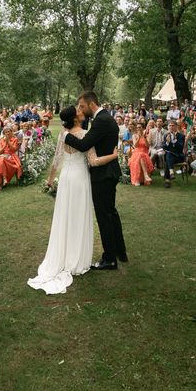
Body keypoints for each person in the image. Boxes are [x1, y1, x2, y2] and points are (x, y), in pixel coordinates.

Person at [27, 106, 119, 294]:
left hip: (66, 178)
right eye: (78, 110)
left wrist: (50, 180)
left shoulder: (63, 133)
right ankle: (76, 259)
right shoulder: (85, 134)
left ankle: (64, 255)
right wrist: (114, 155)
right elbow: (93, 161)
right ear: (75, 119)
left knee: (65, 216)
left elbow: (56, 159)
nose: (80, 111)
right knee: (78, 218)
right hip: (80, 179)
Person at [63, 91, 126, 270]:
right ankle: (120, 252)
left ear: (91, 105)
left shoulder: (100, 121)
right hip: (109, 173)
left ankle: (110, 259)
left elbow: (83, 145)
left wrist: (66, 136)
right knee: (111, 213)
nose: (80, 110)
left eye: (82, 106)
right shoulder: (107, 117)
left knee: (104, 216)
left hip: (103, 175)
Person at [0, 125, 22, 191]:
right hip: (3, 156)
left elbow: (14, 150)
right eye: (6, 132)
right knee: (2, 159)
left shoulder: (15, 139)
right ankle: (4, 178)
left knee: (2, 160)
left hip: (12, 156)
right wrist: (4, 145)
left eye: (9, 131)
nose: (8, 133)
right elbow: (0, 152)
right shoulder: (1, 140)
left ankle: (0, 182)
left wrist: (8, 142)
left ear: (11, 132)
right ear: (4, 133)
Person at [162, 120, 185, 188]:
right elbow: (164, 147)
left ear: (176, 126)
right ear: (168, 127)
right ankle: (171, 172)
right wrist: (167, 143)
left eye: (173, 125)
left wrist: (174, 141)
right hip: (170, 157)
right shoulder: (166, 135)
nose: (171, 127)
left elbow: (180, 148)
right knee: (169, 155)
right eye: (170, 126)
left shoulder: (181, 136)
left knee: (168, 158)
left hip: (178, 157)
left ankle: (167, 180)